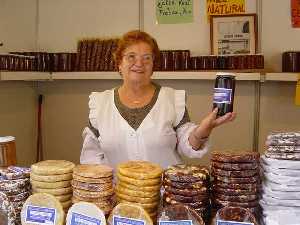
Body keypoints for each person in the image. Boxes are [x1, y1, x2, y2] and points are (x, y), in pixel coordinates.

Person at [80, 30, 236, 169]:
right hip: (120, 197)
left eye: (147, 58)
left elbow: (187, 145)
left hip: (165, 196)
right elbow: (91, 158)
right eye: (131, 57)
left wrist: (203, 130)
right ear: (119, 63)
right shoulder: (100, 103)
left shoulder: (172, 99)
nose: (139, 63)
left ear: (153, 65)